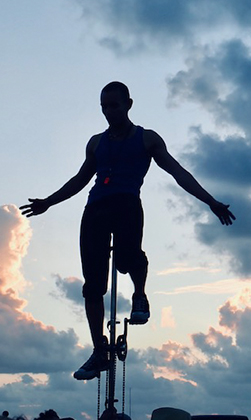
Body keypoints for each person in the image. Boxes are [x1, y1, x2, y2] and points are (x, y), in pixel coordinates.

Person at [20, 81, 235, 381]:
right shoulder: (96, 143)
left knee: (126, 259)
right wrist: (48, 202)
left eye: (114, 106)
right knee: (93, 285)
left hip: (126, 206)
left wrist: (210, 201)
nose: (109, 112)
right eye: (104, 107)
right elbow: (80, 179)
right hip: (95, 210)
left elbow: (178, 172)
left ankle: (140, 295)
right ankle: (99, 352)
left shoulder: (147, 139)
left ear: (128, 104)